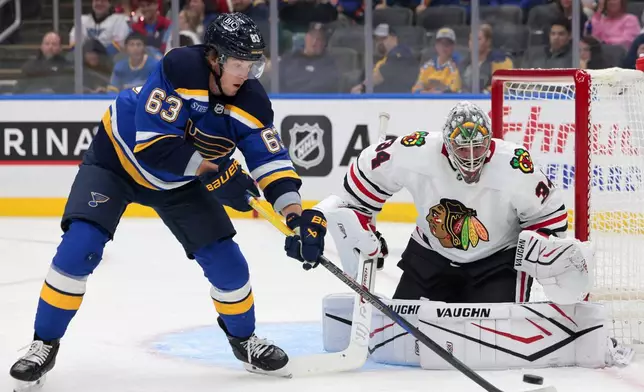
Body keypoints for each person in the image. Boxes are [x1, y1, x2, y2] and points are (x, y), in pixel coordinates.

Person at [9, 12, 321, 390]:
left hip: (182, 181)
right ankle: (43, 344)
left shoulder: (252, 101)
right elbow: (154, 146)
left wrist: (294, 214)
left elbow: (269, 159)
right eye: (238, 63)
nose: (246, 74)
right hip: (118, 161)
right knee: (80, 248)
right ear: (213, 57)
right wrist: (215, 174)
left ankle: (244, 341)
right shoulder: (179, 68)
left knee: (229, 265)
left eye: (253, 65)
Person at [286, 101, 590, 306]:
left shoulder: (514, 165)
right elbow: (359, 188)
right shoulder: (416, 150)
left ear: (490, 141)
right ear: (446, 143)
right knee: (405, 332)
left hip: (496, 261)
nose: (471, 158)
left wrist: (542, 253)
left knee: (493, 340)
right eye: (462, 147)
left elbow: (549, 218)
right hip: (430, 256)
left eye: (478, 147)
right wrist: (356, 225)